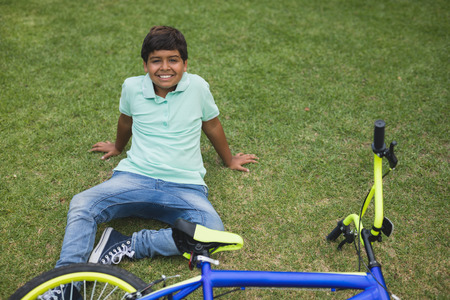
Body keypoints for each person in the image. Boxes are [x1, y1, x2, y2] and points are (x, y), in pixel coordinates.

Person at [54, 25, 258, 271]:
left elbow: (212, 125)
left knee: (212, 231)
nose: (164, 67)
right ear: (145, 66)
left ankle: (125, 244)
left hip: (186, 187)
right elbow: (126, 120)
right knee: (82, 203)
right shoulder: (131, 87)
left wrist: (229, 160)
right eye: (155, 61)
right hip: (134, 178)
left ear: (185, 63)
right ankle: (65, 278)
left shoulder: (198, 87)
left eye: (173, 60)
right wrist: (118, 147)